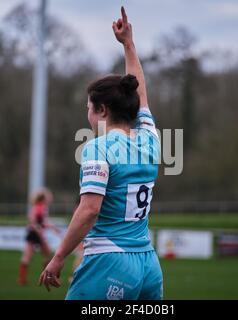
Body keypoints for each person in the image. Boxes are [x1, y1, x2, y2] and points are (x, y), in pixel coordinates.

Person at [39, 7, 163, 300]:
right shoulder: (150, 136)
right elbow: (140, 95)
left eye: (89, 109)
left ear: (102, 110)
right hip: (147, 264)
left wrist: (58, 257)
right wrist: (128, 45)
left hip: (109, 262)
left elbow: (90, 210)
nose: (88, 115)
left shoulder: (98, 147)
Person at [18, 188, 62, 286]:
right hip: (35, 233)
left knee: (32, 256)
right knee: (47, 255)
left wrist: (54, 228)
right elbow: (34, 222)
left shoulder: (38, 206)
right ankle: (47, 277)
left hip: (34, 233)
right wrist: (41, 232)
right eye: (48, 197)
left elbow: (42, 222)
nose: (50, 199)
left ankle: (23, 280)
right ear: (44, 198)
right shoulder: (40, 207)